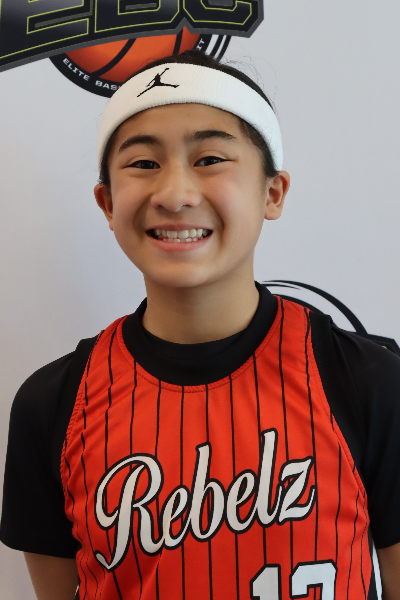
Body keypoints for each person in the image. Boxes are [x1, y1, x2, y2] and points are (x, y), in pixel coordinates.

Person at [1, 49, 399, 600]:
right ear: (107, 203)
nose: (175, 195)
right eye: (144, 163)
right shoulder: (52, 404)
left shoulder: (370, 382)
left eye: (210, 158)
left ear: (272, 192)